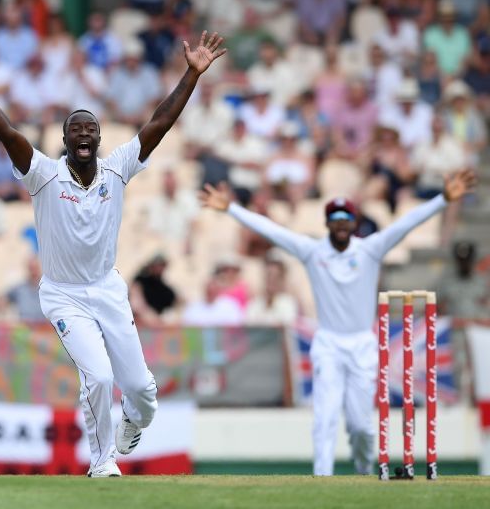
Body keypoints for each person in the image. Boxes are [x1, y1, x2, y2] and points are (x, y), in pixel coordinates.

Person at [0, 30, 226, 477]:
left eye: (90, 129)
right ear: (64, 139)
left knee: (142, 392)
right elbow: (8, 132)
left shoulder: (118, 167)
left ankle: (135, 420)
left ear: (98, 138)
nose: (83, 134)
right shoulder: (43, 175)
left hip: (109, 290)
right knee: (98, 377)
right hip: (63, 295)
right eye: (75, 128)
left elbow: (159, 123)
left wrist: (191, 75)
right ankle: (102, 461)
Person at [199, 169, 476, 476]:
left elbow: (405, 225)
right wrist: (232, 209)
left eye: (347, 218)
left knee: (361, 426)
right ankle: (323, 477)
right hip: (328, 344)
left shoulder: (370, 249)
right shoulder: (313, 251)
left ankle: (363, 468)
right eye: (336, 218)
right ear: (328, 224)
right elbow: (274, 231)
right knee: (325, 417)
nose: (342, 223)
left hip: (361, 346)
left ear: (355, 223)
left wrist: (442, 199)